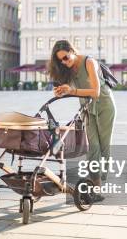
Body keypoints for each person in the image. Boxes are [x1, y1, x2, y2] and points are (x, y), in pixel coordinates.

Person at [49, 39, 116, 200]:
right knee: (92, 146)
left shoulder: (89, 62)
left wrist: (71, 91)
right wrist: (62, 91)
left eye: (66, 57)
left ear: (72, 50)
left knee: (104, 146)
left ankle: (100, 187)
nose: (64, 62)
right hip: (87, 108)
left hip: (104, 106)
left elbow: (95, 92)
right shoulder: (69, 69)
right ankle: (95, 188)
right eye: (60, 61)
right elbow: (73, 90)